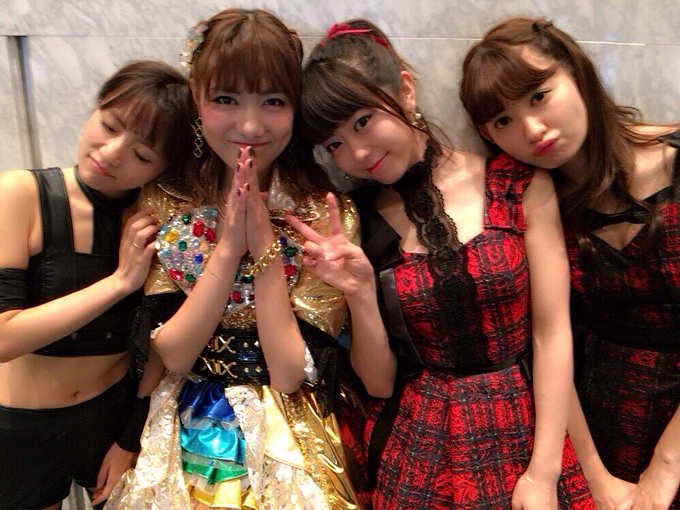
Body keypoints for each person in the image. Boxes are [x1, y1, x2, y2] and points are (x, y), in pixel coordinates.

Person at [289, 18, 595, 510]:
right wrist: (360, 293)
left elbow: (552, 332)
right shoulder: (357, 223)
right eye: (335, 144)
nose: (358, 153)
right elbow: (379, 382)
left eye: (363, 121)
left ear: (405, 90)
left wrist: (543, 473)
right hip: (422, 447)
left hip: (529, 431)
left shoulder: (516, 184)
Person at [104, 8, 366, 510]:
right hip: (179, 428)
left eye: (273, 101)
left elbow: (288, 372)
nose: (250, 125)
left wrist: (263, 240)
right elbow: (173, 355)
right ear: (196, 99)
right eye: (226, 99)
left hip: (289, 436)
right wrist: (227, 248)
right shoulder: (165, 200)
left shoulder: (325, 213)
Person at [459, 16, 680, 510]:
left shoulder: (674, 157)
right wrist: (595, 477)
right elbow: (549, 338)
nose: (531, 129)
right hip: (598, 427)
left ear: (576, 72)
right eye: (502, 121)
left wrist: (667, 465)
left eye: (539, 96)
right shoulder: (529, 205)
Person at [0, 60, 195, 510]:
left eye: (142, 155)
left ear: (163, 168)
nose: (111, 153)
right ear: (96, 107)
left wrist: (130, 437)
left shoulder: (157, 220)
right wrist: (121, 281)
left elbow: (160, 341)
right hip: (23, 428)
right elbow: (4, 337)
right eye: (109, 126)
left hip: (111, 422)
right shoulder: (21, 194)